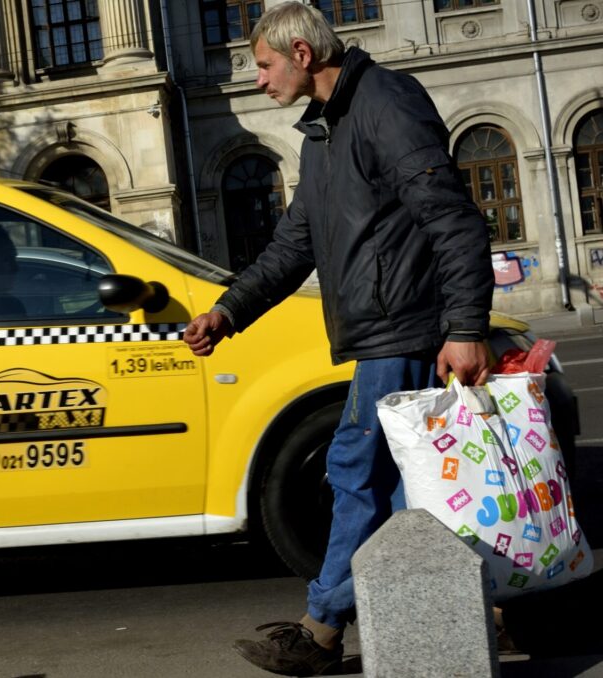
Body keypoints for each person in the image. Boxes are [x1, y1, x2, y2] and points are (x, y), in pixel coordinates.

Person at [182, 4, 494, 676]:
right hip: (382, 332)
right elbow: (295, 243)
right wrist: (228, 312)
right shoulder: (324, 132)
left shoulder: (384, 104)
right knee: (398, 484)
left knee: (357, 473)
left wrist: (466, 328)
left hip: (404, 329)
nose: (258, 80)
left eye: (263, 66)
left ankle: (322, 626)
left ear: (301, 53)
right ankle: (481, 596)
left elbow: (454, 221)